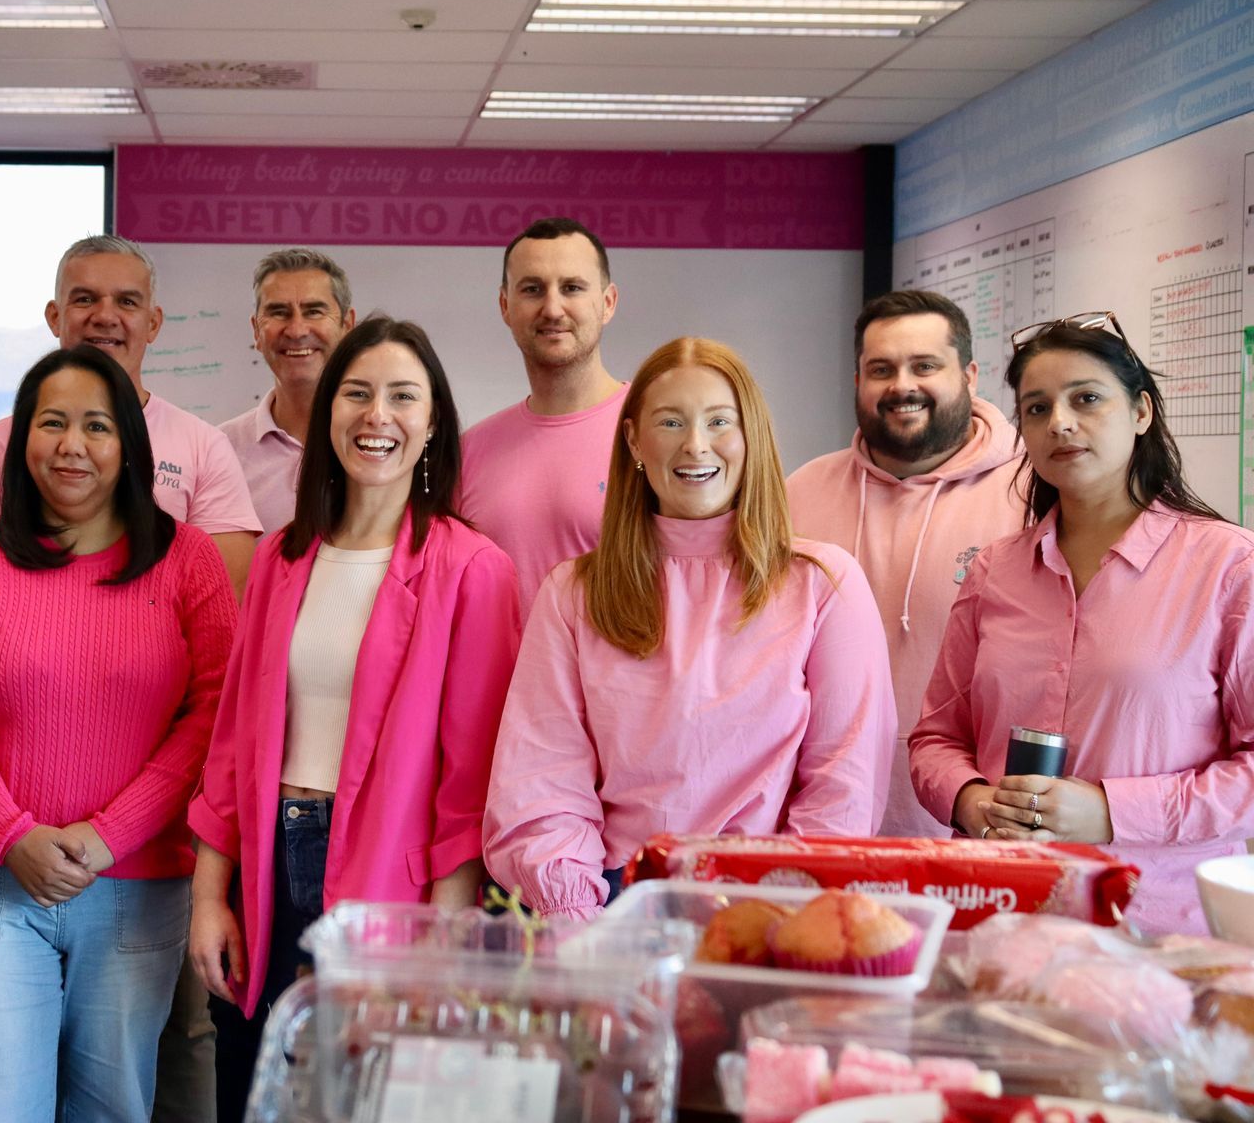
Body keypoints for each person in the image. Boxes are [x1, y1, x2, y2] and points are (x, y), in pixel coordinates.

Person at [188, 316, 522, 1123]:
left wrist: (445, 943)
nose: (378, 416)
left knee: (365, 1099)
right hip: (267, 861)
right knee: (256, 1087)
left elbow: (470, 782)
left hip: (392, 883)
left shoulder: (472, 569)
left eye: (403, 397)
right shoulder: (280, 557)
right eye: (358, 394)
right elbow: (233, 739)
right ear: (329, 411)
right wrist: (207, 896)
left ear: (433, 420)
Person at [0, 343, 237, 1122]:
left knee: (113, 1106)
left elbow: (212, 713)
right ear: (21, 437)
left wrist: (108, 835)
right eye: (52, 422)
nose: (72, 445)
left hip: (137, 885)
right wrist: (10, 833)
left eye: (96, 425)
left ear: (128, 441)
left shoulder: (187, 560)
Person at [484, 337, 895, 919]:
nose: (695, 444)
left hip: (770, 902)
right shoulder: (573, 593)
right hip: (612, 903)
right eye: (671, 421)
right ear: (634, 442)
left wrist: (780, 916)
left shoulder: (824, 585)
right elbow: (541, 782)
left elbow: (843, 784)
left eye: (719, 421)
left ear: (750, 436)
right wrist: (582, 926)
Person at [909, 311, 1254, 935]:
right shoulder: (994, 573)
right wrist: (972, 799)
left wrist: (1112, 811)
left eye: (1086, 399)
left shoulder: (1229, 567)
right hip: (1005, 918)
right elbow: (935, 740)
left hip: (1164, 930)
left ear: (1142, 412)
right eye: (1036, 408)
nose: (1060, 423)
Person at [788, 290, 1025, 837]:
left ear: (968, 375)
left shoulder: (1035, 490)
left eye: (925, 366)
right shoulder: (797, 493)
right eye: (881, 369)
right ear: (857, 382)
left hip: (979, 830)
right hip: (823, 827)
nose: (902, 386)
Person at [0, 234, 260, 595]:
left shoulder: (204, 447)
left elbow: (221, 595)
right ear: (55, 316)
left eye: (126, 302)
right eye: (85, 299)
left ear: (153, 323)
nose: (105, 316)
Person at [460, 217, 627, 613]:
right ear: (505, 305)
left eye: (571, 288)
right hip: (496, 677)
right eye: (532, 289)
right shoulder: (469, 451)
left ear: (607, 303)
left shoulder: (653, 433)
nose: (552, 308)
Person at [216, 248, 357, 536]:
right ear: (256, 331)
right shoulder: (218, 451)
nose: (296, 330)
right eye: (278, 312)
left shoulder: (380, 442)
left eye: (314, 311)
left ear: (347, 326)